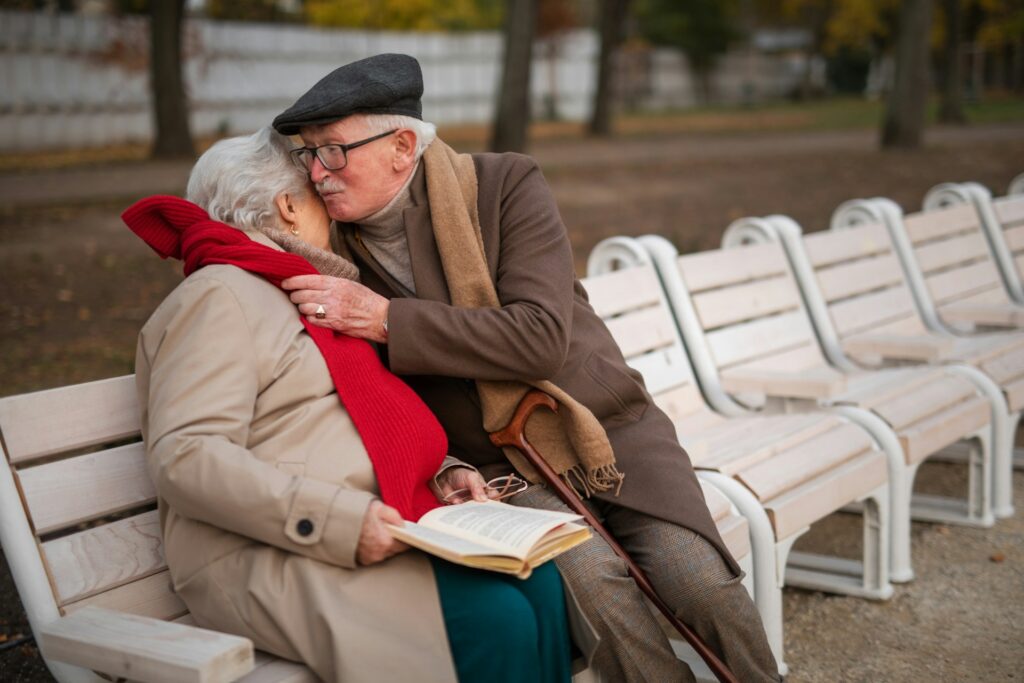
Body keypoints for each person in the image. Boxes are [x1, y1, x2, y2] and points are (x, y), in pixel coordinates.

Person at [272, 53, 781, 682]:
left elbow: (538, 338)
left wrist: (387, 320)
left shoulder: (505, 185)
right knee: (597, 590)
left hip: (606, 431)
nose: (317, 171)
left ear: (402, 145)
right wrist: (451, 466)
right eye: (307, 154)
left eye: (334, 150)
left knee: (697, 579)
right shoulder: (331, 256)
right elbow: (372, 394)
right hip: (494, 468)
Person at [126, 126, 574, 683]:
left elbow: (356, 419)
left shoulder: (304, 289)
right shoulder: (222, 294)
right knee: (495, 617)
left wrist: (440, 473)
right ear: (288, 207)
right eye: (317, 193)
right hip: (274, 549)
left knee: (539, 579)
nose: (333, 206)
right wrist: (341, 520)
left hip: (374, 522)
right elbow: (186, 456)